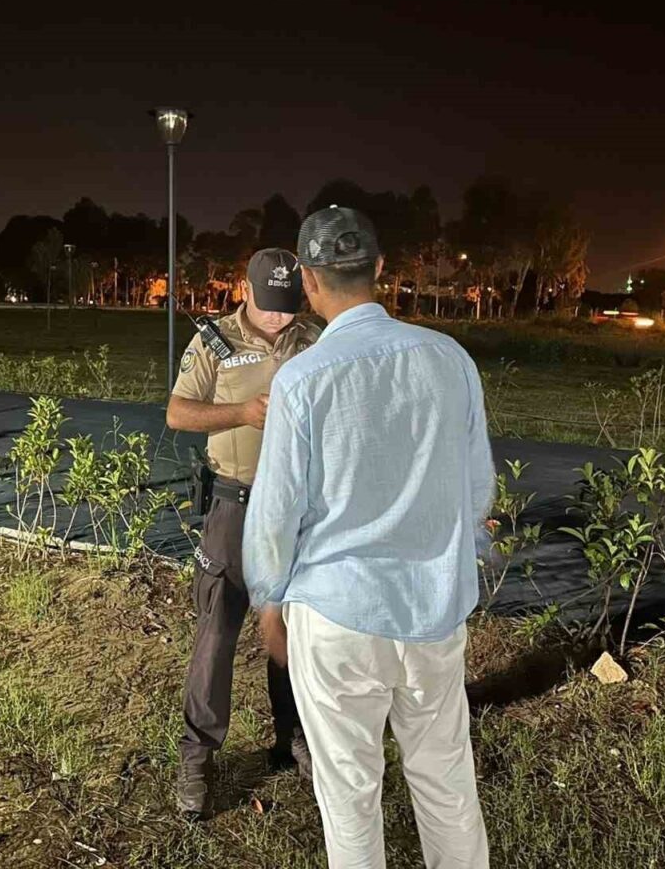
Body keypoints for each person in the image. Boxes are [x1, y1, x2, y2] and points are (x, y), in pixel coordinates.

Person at [242, 207, 494, 868]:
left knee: (350, 796)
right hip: (433, 610)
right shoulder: (450, 360)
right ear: (380, 269)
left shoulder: (303, 379)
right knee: (446, 781)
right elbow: (476, 492)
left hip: (338, 614)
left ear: (307, 280)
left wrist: (270, 600)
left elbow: (275, 513)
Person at [167, 247, 321, 819]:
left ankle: (295, 736)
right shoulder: (214, 343)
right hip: (235, 500)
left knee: (291, 627)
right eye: (268, 305)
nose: (278, 318)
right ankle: (198, 756)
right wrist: (242, 414)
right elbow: (178, 413)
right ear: (243, 288)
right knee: (219, 629)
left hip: (298, 509)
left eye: (288, 307)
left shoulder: (313, 337)